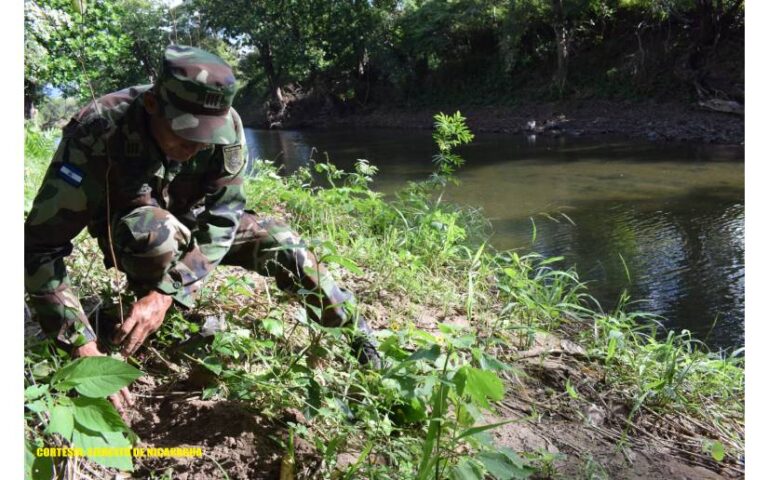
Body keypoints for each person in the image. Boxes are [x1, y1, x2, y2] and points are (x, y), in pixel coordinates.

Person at [24, 45, 382, 413]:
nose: (194, 148)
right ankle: (140, 317)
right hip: (135, 231)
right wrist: (82, 349)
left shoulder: (229, 128)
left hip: (192, 222)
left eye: (205, 137)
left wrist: (166, 293)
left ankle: (356, 334)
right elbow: (39, 247)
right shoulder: (98, 130)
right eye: (183, 133)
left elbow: (224, 217)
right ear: (152, 106)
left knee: (283, 242)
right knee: (154, 234)